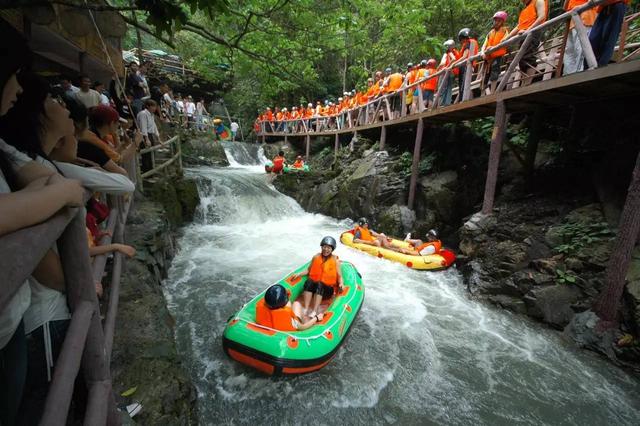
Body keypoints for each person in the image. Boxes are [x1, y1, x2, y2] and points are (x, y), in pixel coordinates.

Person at [290, 236, 344, 320]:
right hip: (315, 289)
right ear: (322, 247)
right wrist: (299, 274)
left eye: (329, 248)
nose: (326, 249)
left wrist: (341, 283)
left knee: (320, 284)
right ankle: (306, 308)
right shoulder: (315, 257)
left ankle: (315, 310)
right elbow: (308, 270)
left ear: (332, 249)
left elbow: (339, 276)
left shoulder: (335, 261)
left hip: (327, 291)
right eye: (325, 247)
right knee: (309, 282)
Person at [506, 0, 549, 86]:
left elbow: (542, 16)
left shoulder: (538, 1)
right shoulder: (525, 10)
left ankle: (527, 83)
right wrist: (506, 38)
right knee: (521, 59)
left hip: (533, 32)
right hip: (524, 35)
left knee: (529, 57)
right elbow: (519, 26)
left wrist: (529, 29)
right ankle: (524, 82)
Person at [589, 0, 629, 67]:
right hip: (603, 7)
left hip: (617, 4)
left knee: (608, 37)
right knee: (593, 39)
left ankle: (601, 66)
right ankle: (591, 65)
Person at [481, 12, 510, 94]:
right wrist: (482, 52)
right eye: (495, 20)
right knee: (485, 77)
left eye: (498, 21)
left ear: (502, 22)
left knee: (494, 74)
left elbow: (504, 41)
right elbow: (484, 44)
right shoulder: (490, 33)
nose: (496, 22)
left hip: (497, 56)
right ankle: (486, 94)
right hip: (488, 58)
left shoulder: (505, 31)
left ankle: (493, 92)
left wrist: (493, 48)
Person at [453, 28, 479, 102]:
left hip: (465, 66)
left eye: (461, 39)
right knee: (466, 83)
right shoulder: (472, 42)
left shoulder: (468, 43)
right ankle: (465, 99)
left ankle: (463, 100)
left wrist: (455, 64)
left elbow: (465, 56)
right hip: (470, 66)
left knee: (463, 84)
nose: (461, 42)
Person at [438, 40, 459, 106]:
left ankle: (442, 103)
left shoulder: (449, 53)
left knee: (443, 87)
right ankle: (447, 103)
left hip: (448, 72)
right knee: (449, 87)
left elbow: (453, 59)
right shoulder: (455, 52)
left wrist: (447, 66)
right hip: (452, 72)